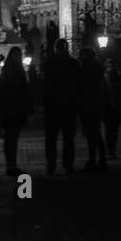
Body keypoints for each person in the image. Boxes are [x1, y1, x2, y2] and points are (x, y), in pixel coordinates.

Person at [42, 38, 81, 174]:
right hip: (68, 105)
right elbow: (78, 85)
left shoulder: (48, 63)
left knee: (52, 139)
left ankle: (51, 165)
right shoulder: (73, 64)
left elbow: (44, 85)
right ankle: (67, 165)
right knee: (68, 138)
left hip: (53, 106)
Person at [0, 46, 31, 176]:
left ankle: (12, 164)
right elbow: (8, 91)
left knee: (12, 137)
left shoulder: (11, 70)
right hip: (12, 108)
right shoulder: (12, 71)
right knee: (11, 137)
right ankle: (11, 165)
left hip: (14, 107)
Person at [78, 48, 107, 171]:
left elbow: (83, 86)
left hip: (89, 105)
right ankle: (100, 159)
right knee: (95, 134)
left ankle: (93, 160)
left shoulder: (87, 68)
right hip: (95, 104)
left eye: (82, 55)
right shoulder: (97, 68)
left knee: (92, 134)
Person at [103, 62, 121, 159]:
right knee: (109, 131)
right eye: (108, 66)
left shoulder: (118, 79)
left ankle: (112, 150)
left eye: (110, 66)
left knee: (113, 131)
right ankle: (110, 151)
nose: (109, 68)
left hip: (115, 107)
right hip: (107, 107)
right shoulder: (103, 79)